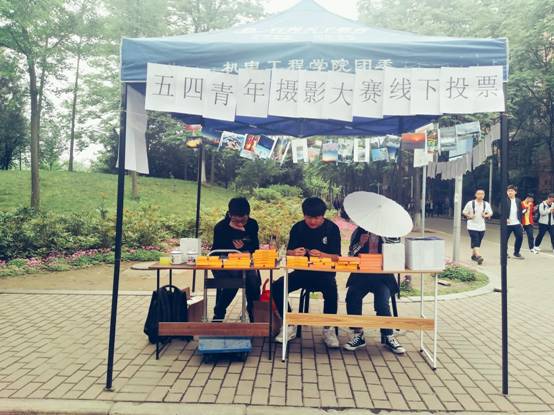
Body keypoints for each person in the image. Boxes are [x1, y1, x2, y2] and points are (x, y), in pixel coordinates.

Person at [272, 197, 341, 348]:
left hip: (324, 274)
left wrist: (322, 255)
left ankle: (329, 329)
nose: (313, 221)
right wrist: (294, 252)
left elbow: (337, 257)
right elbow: (288, 252)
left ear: (323, 216)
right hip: (301, 273)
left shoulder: (332, 229)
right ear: (304, 215)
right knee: (277, 286)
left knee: (331, 290)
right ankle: (289, 323)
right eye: (309, 217)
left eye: (317, 218)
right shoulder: (298, 228)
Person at [343, 226, 405, 354]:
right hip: (361, 274)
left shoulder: (390, 232)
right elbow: (350, 254)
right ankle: (358, 334)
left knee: (382, 303)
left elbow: (396, 254)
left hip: (383, 277)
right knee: (352, 296)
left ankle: (388, 335)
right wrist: (360, 243)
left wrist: (384, 239)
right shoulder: (359, 231)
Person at [211, 197, 261, 322]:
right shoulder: (221, 227)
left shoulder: (252, 224)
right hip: (223, 265)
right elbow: (216, 251)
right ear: (230, 215)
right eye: (236, 220)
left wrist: (243, 244)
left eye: (243, 219)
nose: (240, 222)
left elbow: (255, 247)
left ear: (248, 215)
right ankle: (219, 312)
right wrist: (233, 249)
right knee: (235, 280)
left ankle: (253, 313)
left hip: (245, 264)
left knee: (253, 280)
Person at [462, 189, 493, 264]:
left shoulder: (486, 204)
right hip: (472, 226)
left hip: (482, 226)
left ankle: (473, 255)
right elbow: (464, 212)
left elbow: (491, 213)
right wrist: (469, 216)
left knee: (478, 241)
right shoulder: (470, 203)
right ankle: (479, 257)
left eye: (482, 194)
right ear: (475, 195)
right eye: (479, 194)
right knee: (475, 240)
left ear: (484, 195)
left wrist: (485, 215)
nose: (480, 195)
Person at [503, 185, 524, 259]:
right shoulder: (504, 200)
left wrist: (521, 222)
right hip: (507, 224)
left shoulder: (518, 201)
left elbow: (520, 212)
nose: (510, 192)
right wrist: (505, 218)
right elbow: (501, 211)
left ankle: (516, 252)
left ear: (515, 192)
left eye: (511, 191)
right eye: (508, 191)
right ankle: (504, 253)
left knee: (520, 237)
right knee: (505, 239)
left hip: (516, 223)